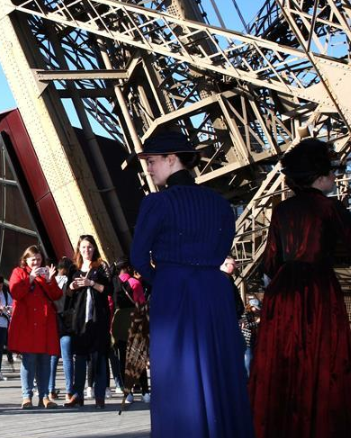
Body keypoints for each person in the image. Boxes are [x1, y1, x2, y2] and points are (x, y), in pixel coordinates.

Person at [130, 131, 254, 438]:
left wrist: (165, 280)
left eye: (152, 161)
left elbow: (138, 257)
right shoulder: (219, 204)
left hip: (174, 291)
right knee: (220, 368)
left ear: (172, 159)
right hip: (215, 291)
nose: (148, 168)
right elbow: (222, 248)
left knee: (177, 373)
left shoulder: (157, 203)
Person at [249, 138, 351, 438]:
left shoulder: (282, 210)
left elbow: (270, 262)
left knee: (283, 359)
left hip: (282, 294)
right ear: (319, 176)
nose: (334, 177)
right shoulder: (330, 208)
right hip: (318, 290)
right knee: (323, 357)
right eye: (331, 172)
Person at [8, 245, 62, 409]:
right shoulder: (19, 272)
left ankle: (44, 396)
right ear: (26, 260)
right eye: (33, 260)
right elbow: (15, 292)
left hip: (45, 324)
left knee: (45, 361)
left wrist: (50, 280)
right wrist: (30, 278)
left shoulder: (45, 274)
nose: (36, 263)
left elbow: (57, 295)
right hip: (27, 325)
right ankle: (27, 396)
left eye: (39, 259)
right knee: (29, 360)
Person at [62, 235, 111, 409]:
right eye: (83, 247)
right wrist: (72, 287)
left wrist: (91, 283)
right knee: (80, 358)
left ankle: (99, 396)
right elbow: (68, 295)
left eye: (89, 247)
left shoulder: (101, 267)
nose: (86, 250)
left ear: (94, 248)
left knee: (99, 357)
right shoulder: (74, 269)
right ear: (79, 249)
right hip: (79, 320)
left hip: (98, 319)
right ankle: (77, 395)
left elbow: (108, 289)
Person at [110, 258, 150, 405]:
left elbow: (110, 305)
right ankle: (145, 392)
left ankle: (128, 394)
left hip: (119, 321)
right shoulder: (135, 283)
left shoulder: (113, 284)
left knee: (122, 359)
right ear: (128, 268)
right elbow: (141, 304)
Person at [48, 257, 74, 401]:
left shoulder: (50, 281)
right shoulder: (69, 282)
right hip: (66, 321)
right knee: (67, 358)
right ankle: (69, 391)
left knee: (53, 357)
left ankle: (50, 390)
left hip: (53, 321)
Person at [239, 298, 260, 378]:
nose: (256, 310)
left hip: (251, 338)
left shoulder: (251, 314)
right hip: (246, 339)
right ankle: (248, 376)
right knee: (248, 358)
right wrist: (256, 322)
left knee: (251, 358)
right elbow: (245, 326)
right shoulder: (245, 314)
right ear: (251, 306)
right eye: (255, 308)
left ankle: (250, 375)